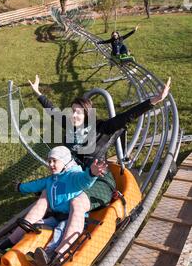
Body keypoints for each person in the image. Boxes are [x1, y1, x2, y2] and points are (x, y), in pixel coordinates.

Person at [29, 75, 171, 211]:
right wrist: (38, 92)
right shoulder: (71, 126)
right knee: (50, 194)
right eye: (72, 111)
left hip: (96, 176)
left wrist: (155, 100)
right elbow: (53, 112)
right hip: (75, 176)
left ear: (87, 114)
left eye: (78, 112)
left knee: (71, 200)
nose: (74, 115)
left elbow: (127, 116)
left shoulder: (102, 128)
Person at [0, 146, 107, 266]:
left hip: (69, 219)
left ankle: (51, 256)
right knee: (35, 225)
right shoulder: (52, 179)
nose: (51, 164)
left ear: (65, 161)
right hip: (55, 217)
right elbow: (35, 185)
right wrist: (21, 187)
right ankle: (6, 246)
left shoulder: (73, 176)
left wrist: (92, 173)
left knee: (60, 231)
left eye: (55, 161)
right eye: (49, 161)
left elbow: (85, 180)